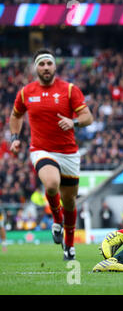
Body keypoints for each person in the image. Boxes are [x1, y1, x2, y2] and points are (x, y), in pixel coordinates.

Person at [9, 48, 93, 260]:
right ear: (35, 67)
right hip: (41, 150)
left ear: (54, 66)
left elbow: (87, 117)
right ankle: (57, 220)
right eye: (41, 64)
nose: (46, 67)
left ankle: (69, 245)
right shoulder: (26, 92)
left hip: (69, 153)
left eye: (49, 63)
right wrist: (15, 137)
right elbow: (15, 115)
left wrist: (72, 121)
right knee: (51, 184)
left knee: (70, 202)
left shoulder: (70, 89)